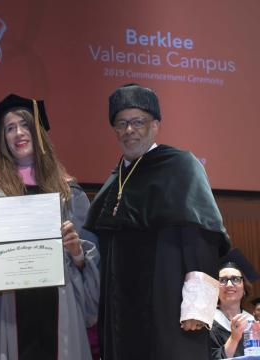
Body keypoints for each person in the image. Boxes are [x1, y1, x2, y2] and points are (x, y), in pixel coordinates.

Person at [84, 83, 231, 360]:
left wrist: (197, 308)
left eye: (138, 122)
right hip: (120, 314)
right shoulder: (114, 181)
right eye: (121, 123)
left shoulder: (180, 166)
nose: (129, 130)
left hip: (167, 304)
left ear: (155, 125)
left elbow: (202, 238)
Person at [0, 94, 100, 360]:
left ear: (39, 132)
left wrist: (77, 252)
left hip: (60, 308)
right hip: (5, 309)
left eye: (25, 125)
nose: (19, 133)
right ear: (2, 139)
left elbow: (89, 260)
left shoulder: (68, 192)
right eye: (10, 128)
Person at [210, 249, 260, 359]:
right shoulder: (207, 323)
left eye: (235, 279)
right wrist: (234, 338)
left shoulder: (252, 322)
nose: (229, 284)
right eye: (222, 280)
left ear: (245, 289)